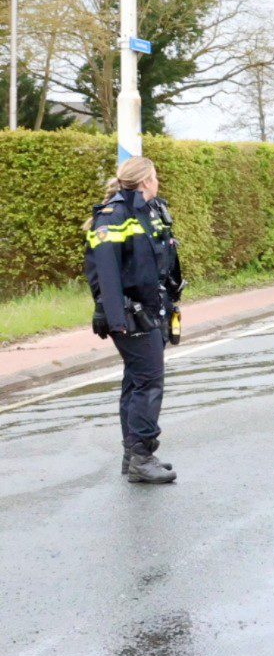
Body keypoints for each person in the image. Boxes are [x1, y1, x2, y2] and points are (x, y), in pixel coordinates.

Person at [84, 157, 184, 485]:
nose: (158, 183)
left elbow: (161, 261)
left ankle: (133, 454)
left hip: (151, 309)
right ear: (144, 181)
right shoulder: (114, 216)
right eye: (155, 177)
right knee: (149, 381)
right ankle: (142, 456)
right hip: (130, 313)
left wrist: (170, 302)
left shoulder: (150, 210)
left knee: (136, 380)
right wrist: (116, 317)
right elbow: (107, 272)